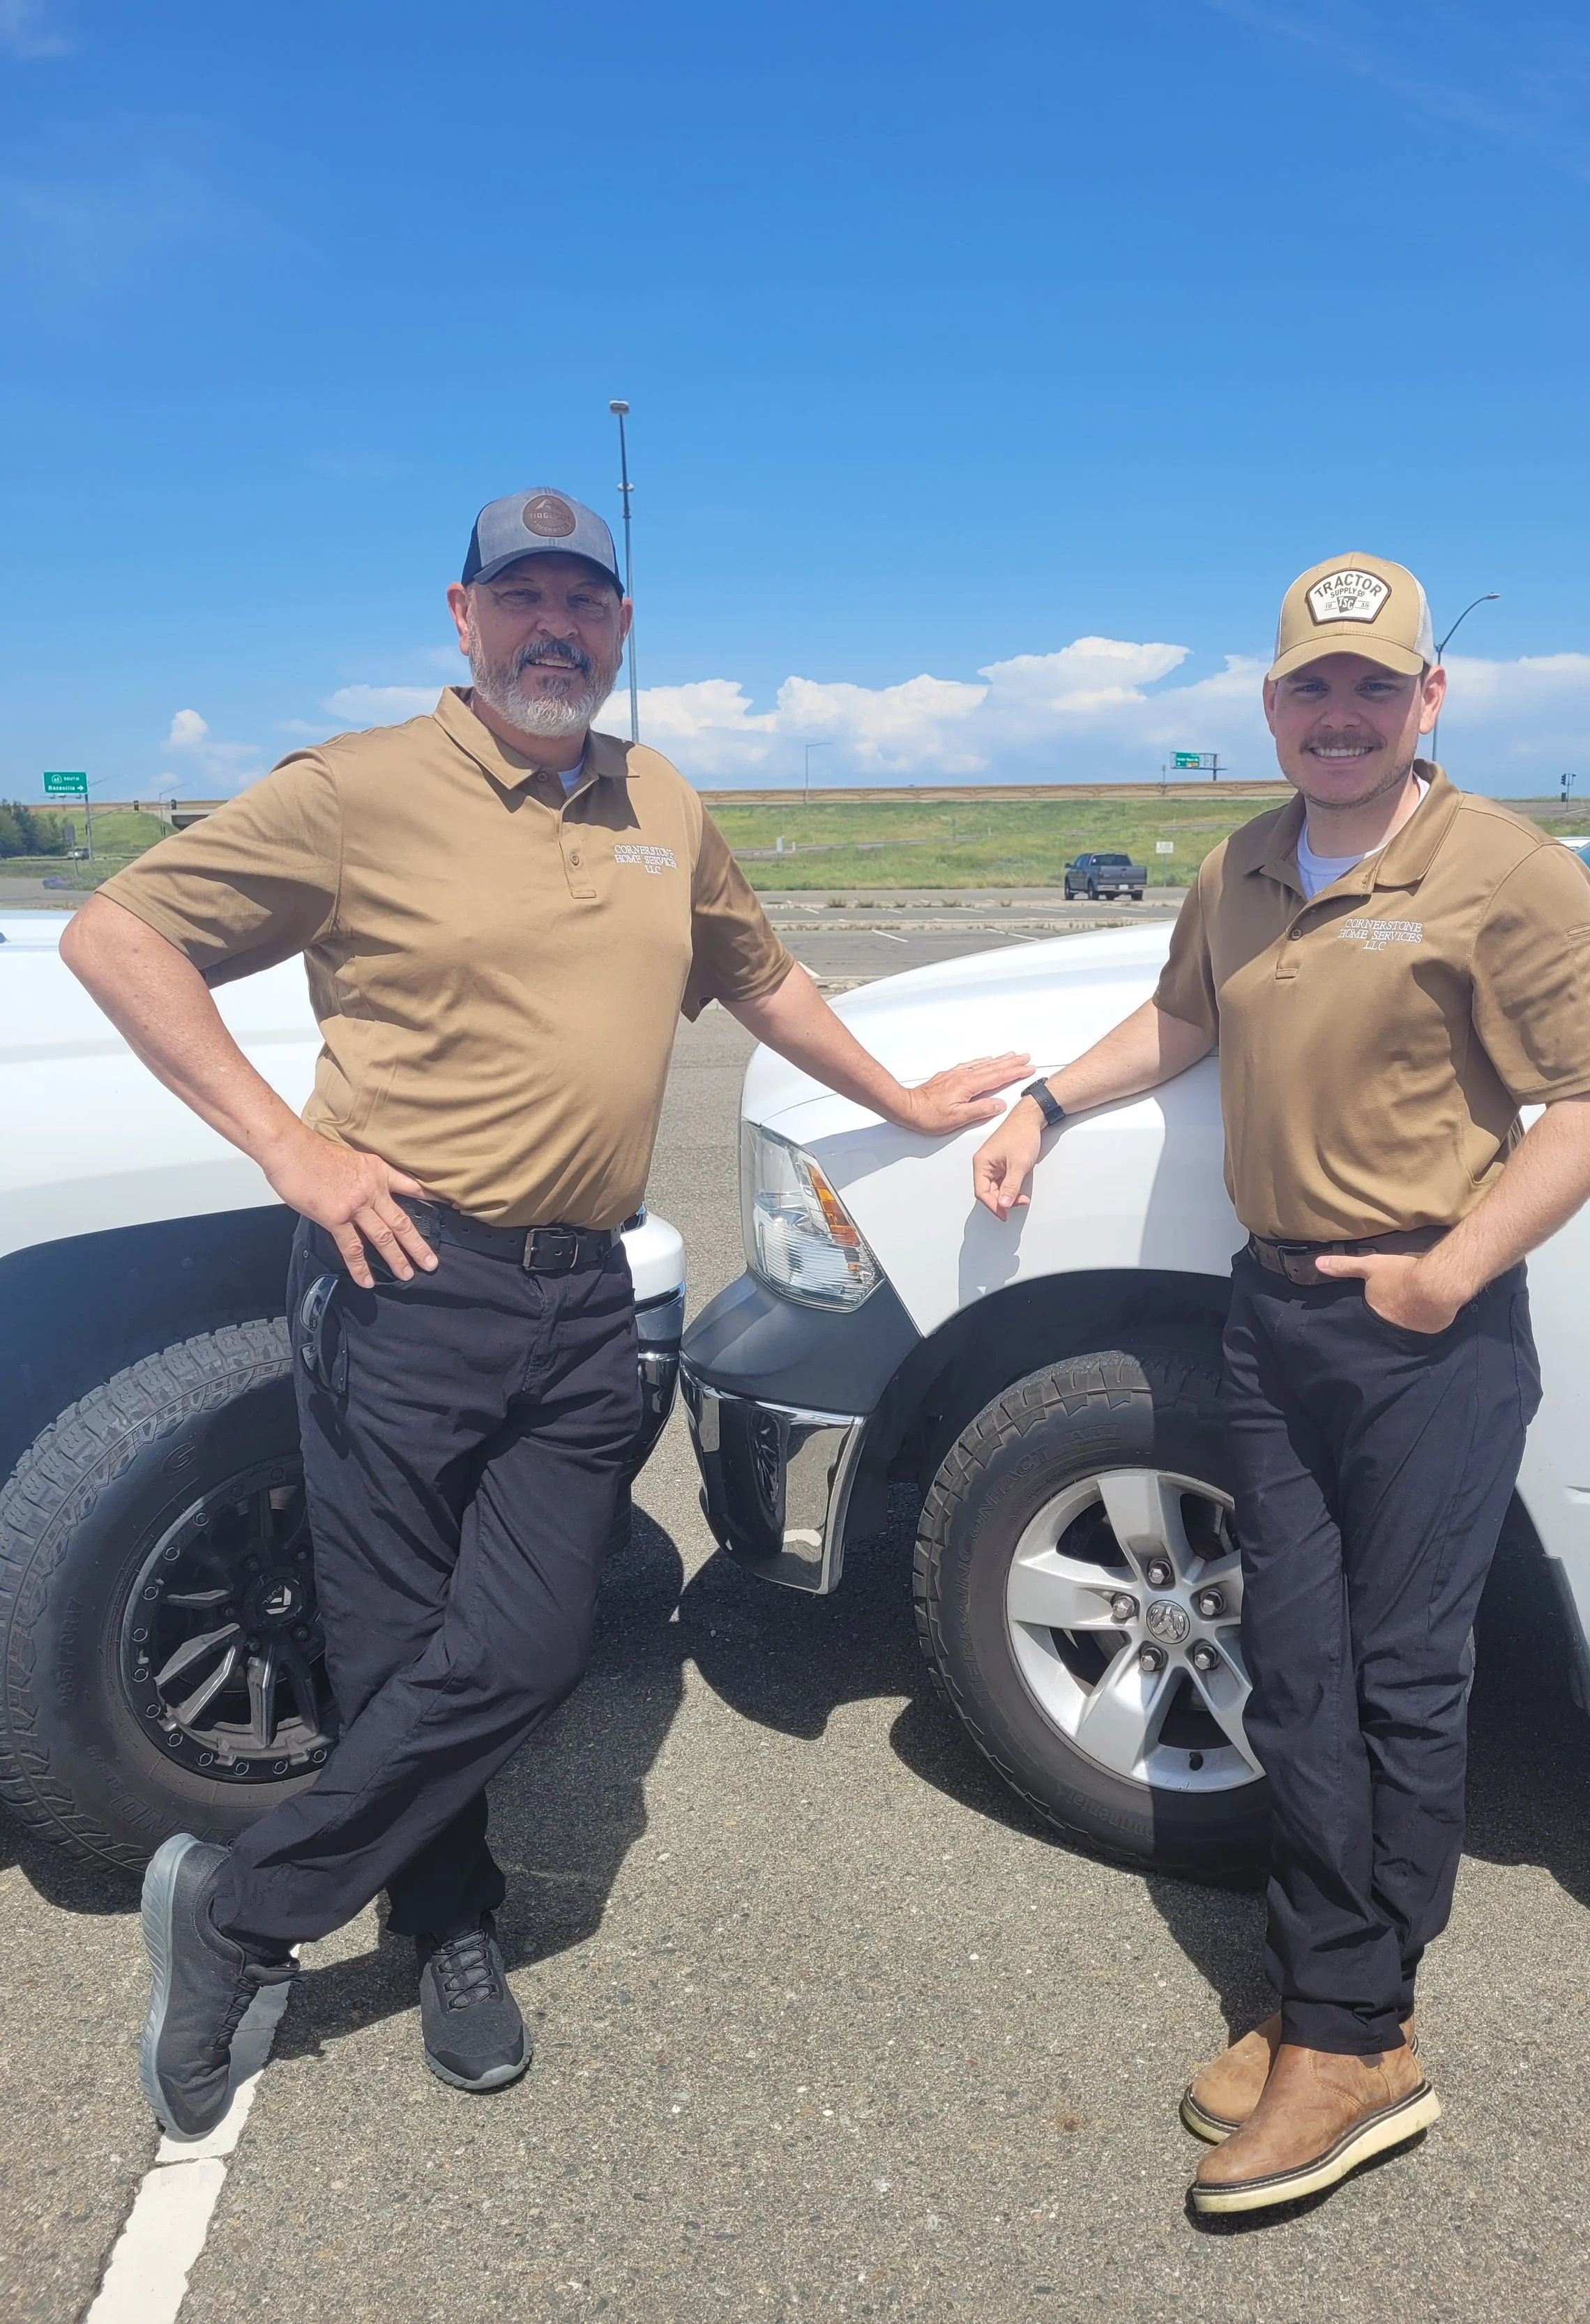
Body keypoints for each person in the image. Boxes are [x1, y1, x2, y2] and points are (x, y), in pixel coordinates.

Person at [66, 487, 1028, 2139]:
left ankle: (235, 1910)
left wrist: (903, 1097)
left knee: (523, 1645)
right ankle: (449, 1929)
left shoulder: (660, 795)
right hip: (399, 1282)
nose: (553, 627)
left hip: (586, 1290)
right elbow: (119, 933)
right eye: (521, 598)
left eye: (584, 599)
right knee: (388, 1656)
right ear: (461, 617)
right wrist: (291, 1151)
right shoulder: (356, 789)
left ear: (624, 629)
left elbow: (757, 974)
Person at [971, 554, 1590, 2216]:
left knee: (1401, 1678)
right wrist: (1040, 1106)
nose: (1334, 715)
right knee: (1292, 1667)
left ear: (1428, 699)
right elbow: (1176, 1022)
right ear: (1270, 706)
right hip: (1270, 1316)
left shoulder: (1503, 871)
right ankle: (1330, 1989)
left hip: (1428, 1325)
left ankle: (1354, 2037)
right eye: (1306, 687)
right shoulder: (1246, 860)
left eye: (1370, 686)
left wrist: (1449, 1267)